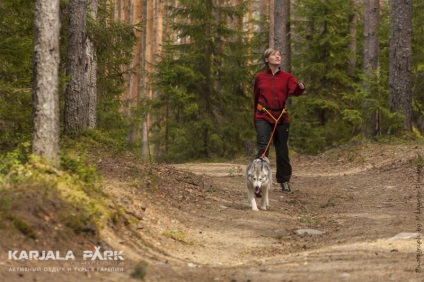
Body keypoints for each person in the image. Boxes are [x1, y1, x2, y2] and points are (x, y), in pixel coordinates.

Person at [253, 47, 305, 193]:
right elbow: (255, 98)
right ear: (266, 59)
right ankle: (259, 183)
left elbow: (294, 91)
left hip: (281, 118)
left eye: (279, 55)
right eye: (273, 55)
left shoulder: (287, 77)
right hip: (263, 116)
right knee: (263, 150)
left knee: (282, 151)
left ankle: (284, 181)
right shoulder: (260, 77)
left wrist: (300, 88)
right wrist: (255, 118)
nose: (277, 56)